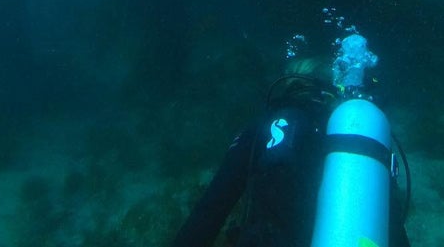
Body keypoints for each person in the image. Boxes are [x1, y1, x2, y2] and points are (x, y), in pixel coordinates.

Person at [170, 36, 411, 247]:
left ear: (290, 85)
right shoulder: (356, 138)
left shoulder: (266, 126)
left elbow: (212, 208)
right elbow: (389, 222)